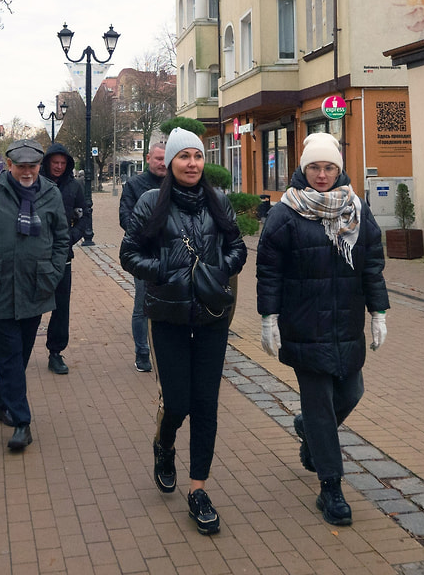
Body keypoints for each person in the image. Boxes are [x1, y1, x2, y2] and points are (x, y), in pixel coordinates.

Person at [255, 132, 389, 527]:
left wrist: (378, 311)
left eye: (329, 167)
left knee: (352, 391)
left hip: (345, 322)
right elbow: (269, 271)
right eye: (314, 166)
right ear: (303, 168)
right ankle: (331, 487)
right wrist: (269, 318)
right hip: (305, 323)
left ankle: (309, 432)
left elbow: (371, 263)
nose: (322, 174)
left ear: (338, 168)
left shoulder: (356, 209)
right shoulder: (286, 212)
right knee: (319, 404)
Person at [119, 129, 246, 535]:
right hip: (168, 315)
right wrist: (166, 272)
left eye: (197, 156)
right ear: (170, 163)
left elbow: (238, 247)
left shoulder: (218, 200)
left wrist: (220, 269)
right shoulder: (150, 202)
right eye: (183, 157)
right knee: (177, 401)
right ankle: (164, 445)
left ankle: (198, 490)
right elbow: (129, 254)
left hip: (211, 316)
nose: (192, 163)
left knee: (206, 403)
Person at [0, 139, 70, 451]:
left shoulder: (50, 193)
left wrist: (53, 271)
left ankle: (0, 402)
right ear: (9, 165)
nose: (26, 172)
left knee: (20, 352)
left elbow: (62, 237)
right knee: (9, 352)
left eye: (32, 166)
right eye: (20, 166)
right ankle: (22, 421)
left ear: (39, 166)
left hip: (37, 284)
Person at [120, 141, 167, 372]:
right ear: (148, 159)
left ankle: (165, 350)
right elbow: (125, 218)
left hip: (174, 255)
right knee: (142, 306)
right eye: (158, 158)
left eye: (166, 159)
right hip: (145, 255)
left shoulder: (176, 183)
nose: (163, 163)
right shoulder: (134, 185)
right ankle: (142, 353)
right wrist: (146, 236)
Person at [40, 142, 86, 375]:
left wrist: (70, 239)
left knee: (61, 306)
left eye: (62, 163)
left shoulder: (74, 186)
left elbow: (83, 216)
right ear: (47, 162)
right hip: (36, 256)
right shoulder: (35, 184)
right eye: (54, 162)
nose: (58, 166)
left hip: (62, 257)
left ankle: (56, 352)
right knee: (33, 302)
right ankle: (22, 347)